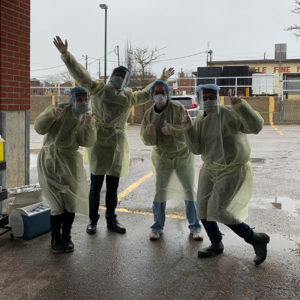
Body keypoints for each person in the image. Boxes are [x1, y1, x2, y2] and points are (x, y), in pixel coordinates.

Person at [53, 36, 174, 235]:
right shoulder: (99, 89)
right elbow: (81, 76)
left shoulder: (129, 96)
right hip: (99, 140)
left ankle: (111, 219)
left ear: (126, 79)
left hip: (118, 142)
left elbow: (147, 92)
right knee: (96, 185)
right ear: (111, 76)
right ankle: (92, 220)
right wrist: (66, 55)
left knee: (113, 186)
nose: (119, 76)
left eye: (122, 75)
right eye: (116, 73)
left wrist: (163, 79)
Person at [182, 84, 270, 265]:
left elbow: (256, 127)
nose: (208, 100)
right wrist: (188, 129)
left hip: (232, 168)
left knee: (217, 210)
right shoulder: (199, 119)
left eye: (211, 96)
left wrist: (241, 106)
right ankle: (216, 244)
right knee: (203, 209)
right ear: (199, 99)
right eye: (204, 97)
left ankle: (254, 238)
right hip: (210, 168)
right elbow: (197, 149)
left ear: (218, 97)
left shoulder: (230, 113)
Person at [34, 86, 96, 253]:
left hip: (70, 162)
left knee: (70, 202)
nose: (83, 103)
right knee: (56, 204)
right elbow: (39, 128)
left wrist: (89, 126)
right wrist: (51, 115)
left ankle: (66, 236)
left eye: (85, 100)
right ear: (72, 98)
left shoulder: (86, 116)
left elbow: (87, 142)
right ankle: (55, 237)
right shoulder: (59, 109)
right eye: (79, 99)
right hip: (50, 161)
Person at [140, 80, 202, 241]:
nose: (160, 96)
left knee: (189, 190)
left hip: (183, 155)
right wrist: (151, 132)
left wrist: (173, 130)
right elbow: (147, 141)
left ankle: (195, 227)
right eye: (157, 93)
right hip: (162, 157)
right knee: (160, 191)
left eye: (163, 92)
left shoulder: (178, 108)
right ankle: (157, 227)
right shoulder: (148, 114)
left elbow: (187, 129)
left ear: (168, 94)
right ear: (152, 95)